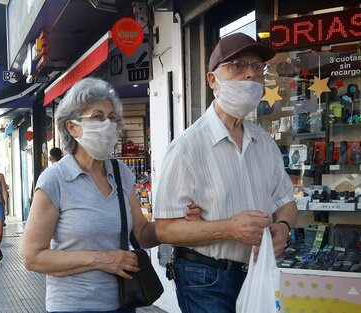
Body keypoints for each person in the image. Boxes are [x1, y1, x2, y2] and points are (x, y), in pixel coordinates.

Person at [153, 32, 298, 313]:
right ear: (212, 81)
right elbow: (164, 229)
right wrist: (230, 228)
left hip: (257, 271)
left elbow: (286, 202)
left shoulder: (265, 144)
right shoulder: (186, 148)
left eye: (257, 67)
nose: (250, 75)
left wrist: (284, 228)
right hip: (206, 278)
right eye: (238, 66)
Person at [22, 78, 161, 313]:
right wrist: (103, 259)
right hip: (73, 305)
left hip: (123, 302)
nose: (108, 125)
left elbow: (142, 233)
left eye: (112, 118)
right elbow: (33, 257)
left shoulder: (121, 173)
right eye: (97, 117)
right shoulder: (55, 179)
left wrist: (183, 223)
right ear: (72, 127)